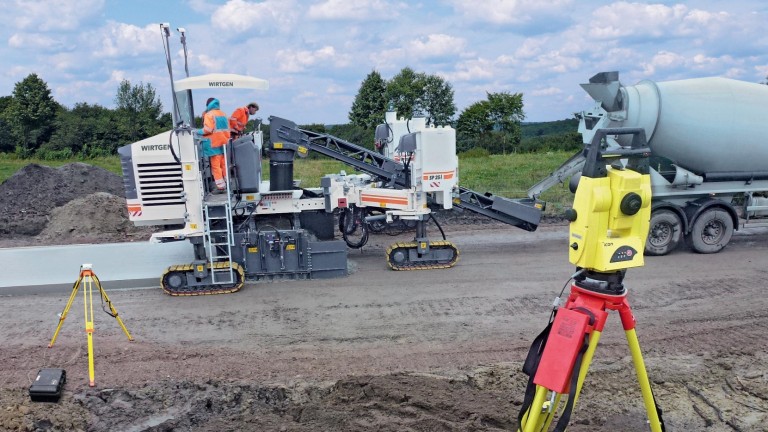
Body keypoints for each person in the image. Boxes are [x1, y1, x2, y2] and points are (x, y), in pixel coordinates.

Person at [197, 97, 231, 192]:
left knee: (216, 167)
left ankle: (220, 187)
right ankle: (227, 183)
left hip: (214, 144)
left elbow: (208, 129)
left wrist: (197, 131)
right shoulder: (223, 114)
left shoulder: (209, 114)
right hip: (224, 144)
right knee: (224, 165)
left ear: (208, 105)